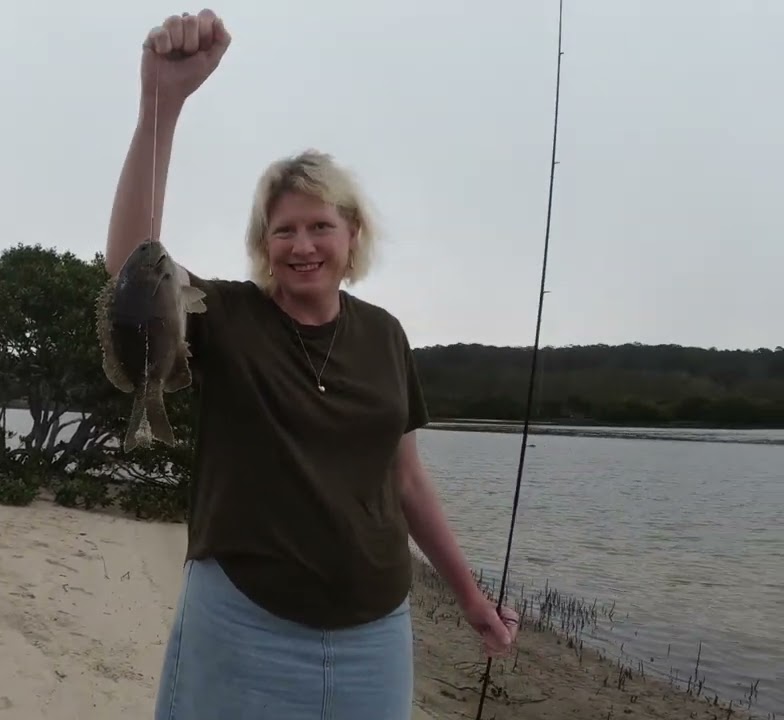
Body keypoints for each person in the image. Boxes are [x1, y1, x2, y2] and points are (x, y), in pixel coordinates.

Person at [103, 9, 521, 720]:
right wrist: (160, 107)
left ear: (352, 235)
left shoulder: (385, 336)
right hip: (241, 622)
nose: (303, 245)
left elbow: (409, 480)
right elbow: (131, 269)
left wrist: (471, 597)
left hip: (375, 634)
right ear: (264, 244)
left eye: (321, 225)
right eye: (284, 229)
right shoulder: (225, 314)